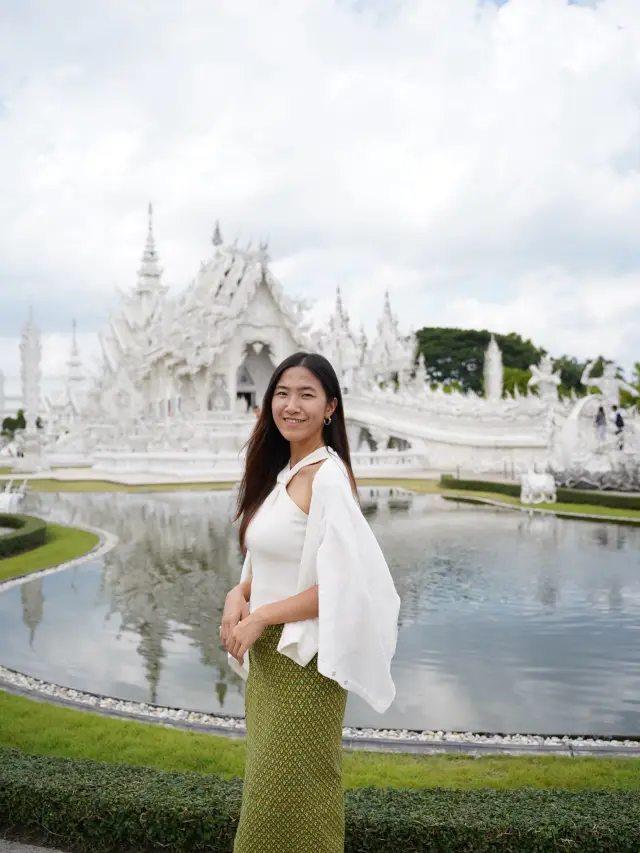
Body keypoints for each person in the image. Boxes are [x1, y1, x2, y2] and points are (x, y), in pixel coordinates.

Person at [220, 351, 400, 853]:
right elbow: (272, 562)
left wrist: (261, 617)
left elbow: (342, 586)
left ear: (330, 408)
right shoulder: (283, 475)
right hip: (270, 660)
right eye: (281, 393)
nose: (291, 405)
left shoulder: (327, 478)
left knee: (294, 798)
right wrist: (239, 593)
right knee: (268, 794)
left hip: (305, 663)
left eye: (306, 395)